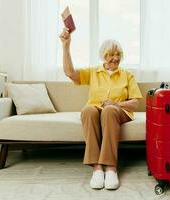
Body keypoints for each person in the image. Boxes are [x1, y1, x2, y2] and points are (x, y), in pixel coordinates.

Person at [59, 27, 143, 190]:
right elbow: (69, 72)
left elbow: (135, 102)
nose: (115, 58)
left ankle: (111, 168)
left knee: (109, 111)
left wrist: (116, 104)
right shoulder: (93, 72)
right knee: (89, 110)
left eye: (118, 54)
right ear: (103, 56)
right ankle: (97, 168)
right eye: (111, 54)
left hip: (119, 111)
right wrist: (66, 46)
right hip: (97, 109)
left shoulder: (127, 75)